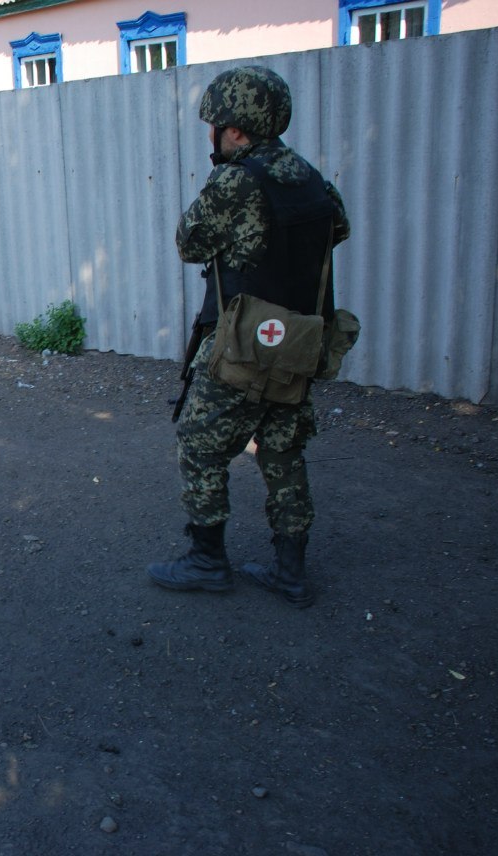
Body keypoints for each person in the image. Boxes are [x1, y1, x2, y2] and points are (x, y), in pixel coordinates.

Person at [146, 66, 351, 608]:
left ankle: (208, 560)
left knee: (199, 440)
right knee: (283, 448)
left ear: (235, 130)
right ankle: (291, 572)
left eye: (214, 126)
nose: (210, 135)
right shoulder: (310, 177)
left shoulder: (236, 180)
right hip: (299, 341)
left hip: (244, 341)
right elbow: (339, 227)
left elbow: (190, 243)